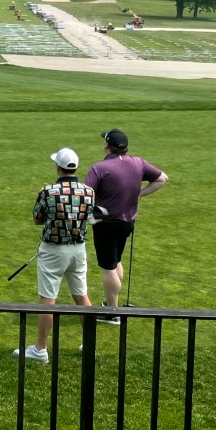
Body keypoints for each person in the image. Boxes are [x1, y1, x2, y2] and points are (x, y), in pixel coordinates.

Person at [13, 148, 95, 362]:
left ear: (58, 167)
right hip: (78, 249)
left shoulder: (48, 191)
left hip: (53, 250)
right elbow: (90, 217)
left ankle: (40, 350)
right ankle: (90, 345)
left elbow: (37, 219)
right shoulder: (88, 191)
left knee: (48, 299)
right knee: (81, 296)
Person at [84, 129, 168, 323]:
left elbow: (86, 194)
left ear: (107, 145)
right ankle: (111, 302)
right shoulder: (138, 162)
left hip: (106, 224)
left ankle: (112, 313)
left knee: (108, 267)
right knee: (116, 261)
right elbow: (162, 178)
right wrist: (138, 194)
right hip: (128, 222)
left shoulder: (99, 168)